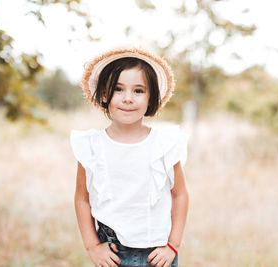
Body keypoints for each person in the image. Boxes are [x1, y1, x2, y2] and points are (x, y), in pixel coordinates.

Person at [70, 47, 189, 267]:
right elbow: (82, 198)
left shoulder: (164, 144)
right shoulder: (91, 147)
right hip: (112, 254)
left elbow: (180, 195)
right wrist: (92, 246)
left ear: (151, 96)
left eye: (138, 91)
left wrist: (173, 244)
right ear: (104, 94)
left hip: (158, 255)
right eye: (118, 89)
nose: (127, 99)